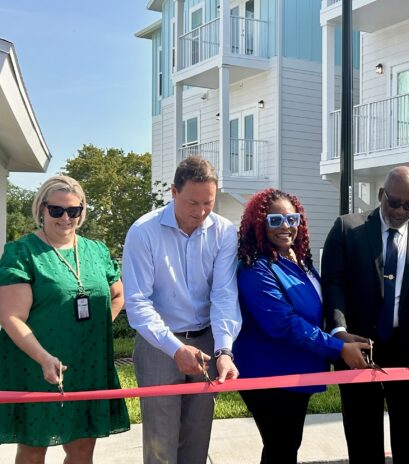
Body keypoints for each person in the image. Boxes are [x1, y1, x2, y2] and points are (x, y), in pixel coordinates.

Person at [321, 166, 409, 464]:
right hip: (359, 349)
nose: (401, 210)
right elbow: (333, 284)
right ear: (382, 195)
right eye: (395, 202)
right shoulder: (346, 229)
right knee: (363, 441)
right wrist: (340, 333)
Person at [233, 188, 371, 464]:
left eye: (292, 219)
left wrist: (338, 333)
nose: (286, 226)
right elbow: (283, 324)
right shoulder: (256, 268)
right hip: (269, 373)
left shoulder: (297, 260)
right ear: (259, 224)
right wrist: (338, 348)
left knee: (286, 445)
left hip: (298, 369)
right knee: (281, 446)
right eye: (275, 220)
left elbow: (315, 309)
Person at [0, 175, 130, 463]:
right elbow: (11, 316)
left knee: (83, 447)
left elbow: (118, 295)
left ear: (82, 211)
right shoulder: (22, 253)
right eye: (56, 210)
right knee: (34, 449)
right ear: (41, 209)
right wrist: (44, 358)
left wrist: (92, 334)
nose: (65, 218)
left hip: (88, 364)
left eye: (74, 211)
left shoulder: (96, 250)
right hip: (36, 363)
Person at [122, 156, 241, 464]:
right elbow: (137, 302)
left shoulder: (225, 232)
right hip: (158, 345)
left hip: (205, 341)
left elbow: (225, 294)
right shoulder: (143, 232)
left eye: (208, 203)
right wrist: (175, 348)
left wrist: (224, 350)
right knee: (160, 444)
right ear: (173, 193)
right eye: (192, 203)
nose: (201, 212)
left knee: (197, 439)